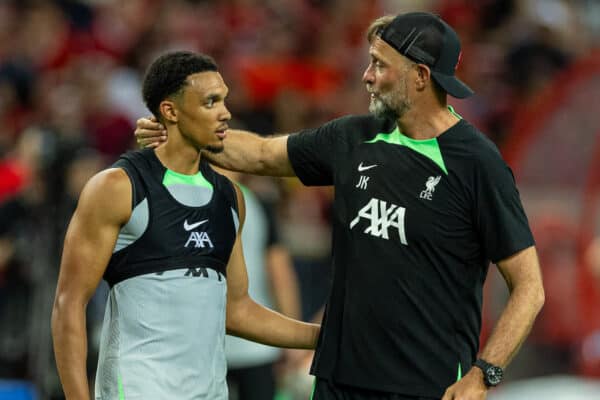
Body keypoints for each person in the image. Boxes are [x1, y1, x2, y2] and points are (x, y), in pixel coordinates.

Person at [135, 12, 545, 400]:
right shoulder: (352, 138)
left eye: (380, 65)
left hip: (427, 385)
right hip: (338, 379)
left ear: (420, 76)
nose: (367, 76)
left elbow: (529, 287)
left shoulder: (477, 164)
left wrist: (483, 373)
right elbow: (259, 154)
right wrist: (181, 130)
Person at [51, 51, 320, 400]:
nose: (226, 112)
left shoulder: (230, 198)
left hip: (210, 392)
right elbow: (68, 304)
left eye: (224, 99)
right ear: (170, 111)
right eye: (211, 102)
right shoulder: (118, 187)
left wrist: (323, 336)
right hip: (136, 389)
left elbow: (237, 310)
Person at [222, 171, 303, 400]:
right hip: (256, 342)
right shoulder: (257, 203)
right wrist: (292, 340)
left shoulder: (183, 199)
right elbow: (280, 273)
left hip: (203, 347)